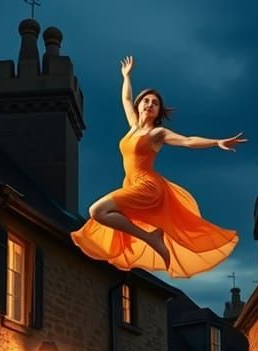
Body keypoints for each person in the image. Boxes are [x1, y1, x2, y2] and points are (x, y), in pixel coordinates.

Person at [70, 56, 247, 278]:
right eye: (146, 101)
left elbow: (188, 141)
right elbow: (125, 99)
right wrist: (126, 77)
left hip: (147, 186)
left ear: (158, 111)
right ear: (140, 105)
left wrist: (217, 142)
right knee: (100, 213)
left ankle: (152, 238)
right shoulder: (133, 127)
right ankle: (151, 237)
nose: (150, 105)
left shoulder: (157, 134)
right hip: (131, 183)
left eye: (155, 103)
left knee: (96, 210)